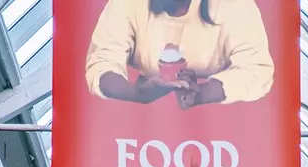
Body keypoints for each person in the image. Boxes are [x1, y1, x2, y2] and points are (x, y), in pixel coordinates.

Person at [85, 0, 276, 109]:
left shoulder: (234, 5)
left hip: (225, 140)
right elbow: (102, 62)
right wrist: (137, 93)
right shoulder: (128, 4)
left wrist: (201, 93)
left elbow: (257, 70)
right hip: (139, 137)